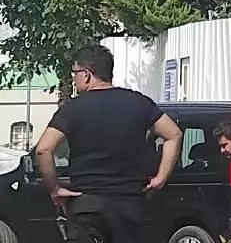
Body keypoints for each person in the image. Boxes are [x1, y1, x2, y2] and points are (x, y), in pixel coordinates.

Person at [33, 44, 183, 243]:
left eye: (75, 73)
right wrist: (161, 177)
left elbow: (44, 150)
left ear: (86, 74)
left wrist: (55, 189)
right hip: (129, 205)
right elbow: (174, 134)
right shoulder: (139, 103)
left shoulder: (73, 109)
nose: (74, 78)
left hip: (87, 204)